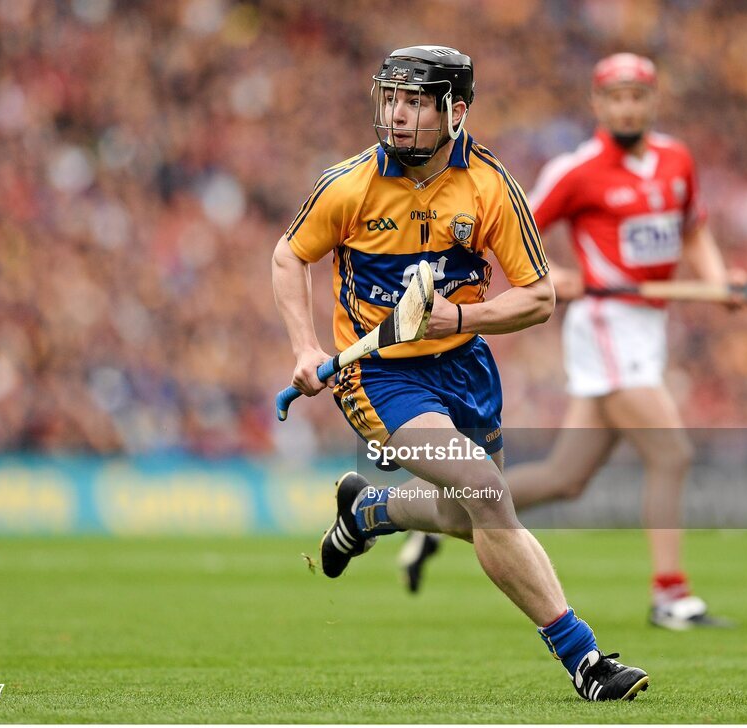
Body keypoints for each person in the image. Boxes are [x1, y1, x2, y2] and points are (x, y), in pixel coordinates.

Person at [272, 45, 649, 701]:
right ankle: (584, 658)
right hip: (379, 375)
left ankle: (370, 512)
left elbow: (537, 297)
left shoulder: (491, 186)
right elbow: (288, 255)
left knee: (464, 513)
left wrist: (459, 321)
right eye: (391, 98)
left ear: (457, 110)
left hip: (464, 366)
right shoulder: (348, 185)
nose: (398, 114)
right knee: (483, 491)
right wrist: (306, 348)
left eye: (416, 102)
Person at [401, 53, 737, 630]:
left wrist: (720, 281)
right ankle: (670, 595)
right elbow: (512, 232)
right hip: (606, 327)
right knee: (671, 452)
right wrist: (553, 277)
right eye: (617, 97)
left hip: (648, 327)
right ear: (598, 104)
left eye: (638, 96)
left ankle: (439, 517)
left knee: (566, 478)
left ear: (652, 101)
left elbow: (695, 229)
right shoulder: (577, 170)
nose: (628, 106)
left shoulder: (676, 160)